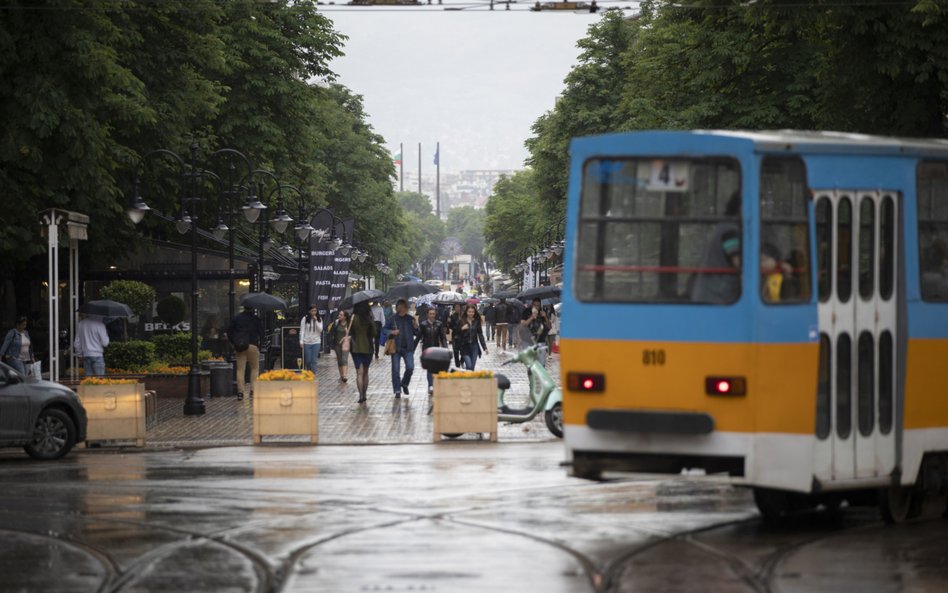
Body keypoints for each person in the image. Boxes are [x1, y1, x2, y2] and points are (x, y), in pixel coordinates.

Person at [384, 299, 419, 399]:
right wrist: (391, 332)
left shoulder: (410, 319)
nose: (402, 308)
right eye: (400, 306)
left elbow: (417, 332)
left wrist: (415, 326)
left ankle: (404, 383)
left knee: (410, 367)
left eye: (404, 306)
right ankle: (397, 390)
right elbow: (384, 329)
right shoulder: (392, 318)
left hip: (408, 348)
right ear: (398, 307)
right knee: (395, 370)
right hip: (396, 348)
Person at [228, 305, 264, 400]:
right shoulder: (256, 319)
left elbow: (229, 331)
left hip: (240, 346)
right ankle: (253, 390)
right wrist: (259, 345)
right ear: (252, 308)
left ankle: (240, 392)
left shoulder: (237, 318)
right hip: (253, 345)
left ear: (244, 307)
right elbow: (262, 333)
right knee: (255, 368)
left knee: (240, 369)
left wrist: (233, 343)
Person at [349, 302, 378, 404]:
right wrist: (372, 320)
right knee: (365, 372)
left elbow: (349, 331)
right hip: (368, 348)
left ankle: (360, 394)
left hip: (355, 348)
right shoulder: (369, 318)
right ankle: (364, 394)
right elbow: (374, 333)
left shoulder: (353, 318)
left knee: (359, 373)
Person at [414, 307, 447, 395]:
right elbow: (418, 337)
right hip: (426, 349)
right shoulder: (423, 324)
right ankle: (430, 386)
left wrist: (445, 348)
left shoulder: (439, 324)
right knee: (429, 369)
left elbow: (443, 337)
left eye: (433, 314)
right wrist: (412, 349)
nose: (432, 315)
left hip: (436, 349)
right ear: (427, 314)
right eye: (430, 314)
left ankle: (435, 384)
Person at [457, 304, 488, 370]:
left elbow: (480, 334)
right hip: (464, 346)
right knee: (469, 366)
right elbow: (456, 333)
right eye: (469, 312)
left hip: (474, 346)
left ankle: (468, 379)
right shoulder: (462, 321)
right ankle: (463, 364)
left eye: (472, 312)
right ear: (466, 312)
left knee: (472, 368)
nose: (471, 313)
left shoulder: (477, 321)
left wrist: (484, 347)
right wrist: (462, 329)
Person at [327, 310, 351, 383]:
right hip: (337, 344)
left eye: (341, 315)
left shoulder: (349, 324)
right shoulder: (336, 322)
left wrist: (348, 336)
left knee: (344, 359)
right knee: (340, 360)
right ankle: (341, 376)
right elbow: (331, 332)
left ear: (345, 317)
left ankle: (345, 376)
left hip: (346, 344)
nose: (339, 316)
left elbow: (353, 334)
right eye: (339, 315)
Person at [299, 305, 323, 377]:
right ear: (309, 311)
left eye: (315, 311)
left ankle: (313, 375)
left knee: (314, 360)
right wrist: (301, 341)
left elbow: (320, 330)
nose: (314, 312)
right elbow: (302, 330)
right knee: (308, 360)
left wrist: (316, 321)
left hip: (316, 341)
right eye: (312, 311)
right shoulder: (305, 319)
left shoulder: (319, 319)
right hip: (307, 342)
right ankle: (309, 373)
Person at [448, 302, 464, 367]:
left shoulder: (464, 315)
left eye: (458, 307)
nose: (457, 308)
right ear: (454, 308)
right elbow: (451, 327)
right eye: (456, 307)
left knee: (463, 351)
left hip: (463, 336)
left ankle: (462, 361)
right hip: (455, 336)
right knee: (455, 351)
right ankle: (457, 365)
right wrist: (449, 322)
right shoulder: (452, 316)